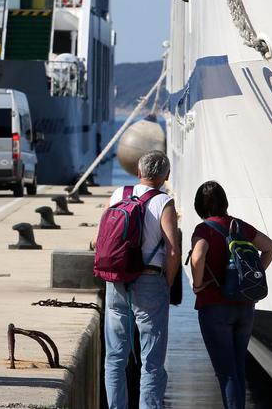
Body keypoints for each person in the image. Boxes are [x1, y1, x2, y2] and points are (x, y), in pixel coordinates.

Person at [189, 181, 272, 409]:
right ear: (224, 202)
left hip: (214, 308)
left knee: (226, 373)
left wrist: (198, 285)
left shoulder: (204, 229)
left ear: (199, 205)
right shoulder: (238, 226)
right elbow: (270, 247)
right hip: (244, 306)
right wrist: (249, 277)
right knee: (238, 369)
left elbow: (198, 257)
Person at [103, 150, 179, 409]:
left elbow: (100, 237)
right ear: (166, 176)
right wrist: (168, 281)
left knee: (115, 356)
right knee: (152, 359)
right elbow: (172, 250)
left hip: (115, 281)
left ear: (138, 172)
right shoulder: (163, 202)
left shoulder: (117, 195)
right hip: (149, 280)